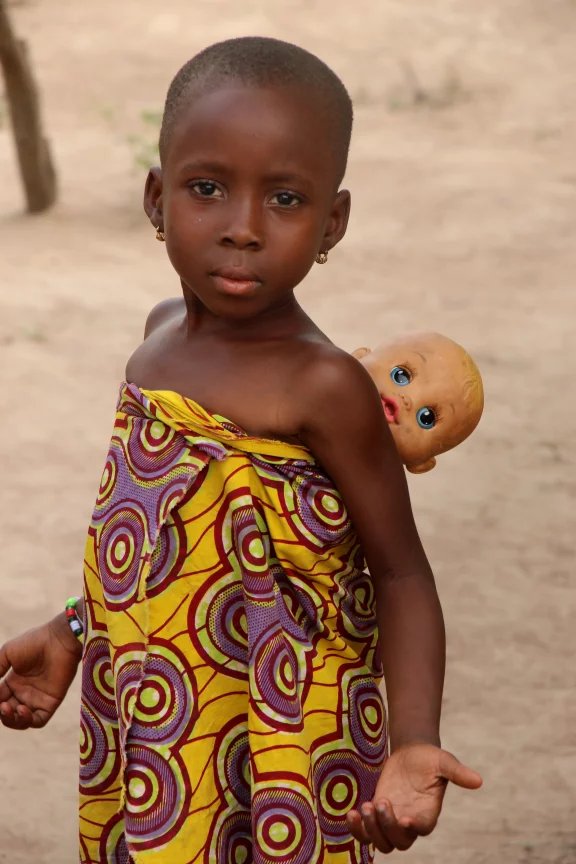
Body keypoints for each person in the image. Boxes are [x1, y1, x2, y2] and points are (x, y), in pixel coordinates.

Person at [0, 37, 483, 862]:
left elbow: (400, 572)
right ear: (157, 199)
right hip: (157, 729)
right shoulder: (154, 345)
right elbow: (163, 543)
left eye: (287, 199)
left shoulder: (323, 385)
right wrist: (76, 625)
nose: (244, 229)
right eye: (208, 188)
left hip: (285, 746)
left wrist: (412, 739)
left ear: (332, 222)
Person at [354, 332, 484, 475]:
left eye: (425, 418)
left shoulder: (373, 488)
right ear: (358, 357)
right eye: (400, 375)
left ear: (421, 464)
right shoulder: (327, 380)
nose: (406, 401)